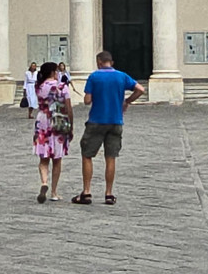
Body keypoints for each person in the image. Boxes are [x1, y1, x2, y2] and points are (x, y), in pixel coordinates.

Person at [72, 51, 145, 206]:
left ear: (99, 62)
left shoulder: (94, 77)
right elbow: (140, 89)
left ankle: (86, 192)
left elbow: (87, 100)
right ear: (111, 62)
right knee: (110, 157)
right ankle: (109, 193)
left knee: (87, 155)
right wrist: (127, 101)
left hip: (97, 121)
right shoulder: (121, 76)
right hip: (115, 120)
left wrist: (90, 96)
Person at [33, 61, 72, 203]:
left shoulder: (39, 87)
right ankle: (54, 192)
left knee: (43, 158)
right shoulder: (62, 86)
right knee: (57, 158)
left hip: (42, 120)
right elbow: (68, 107)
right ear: (53, 72)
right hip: (58, 120)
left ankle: (44, 182)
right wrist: (70, 126)